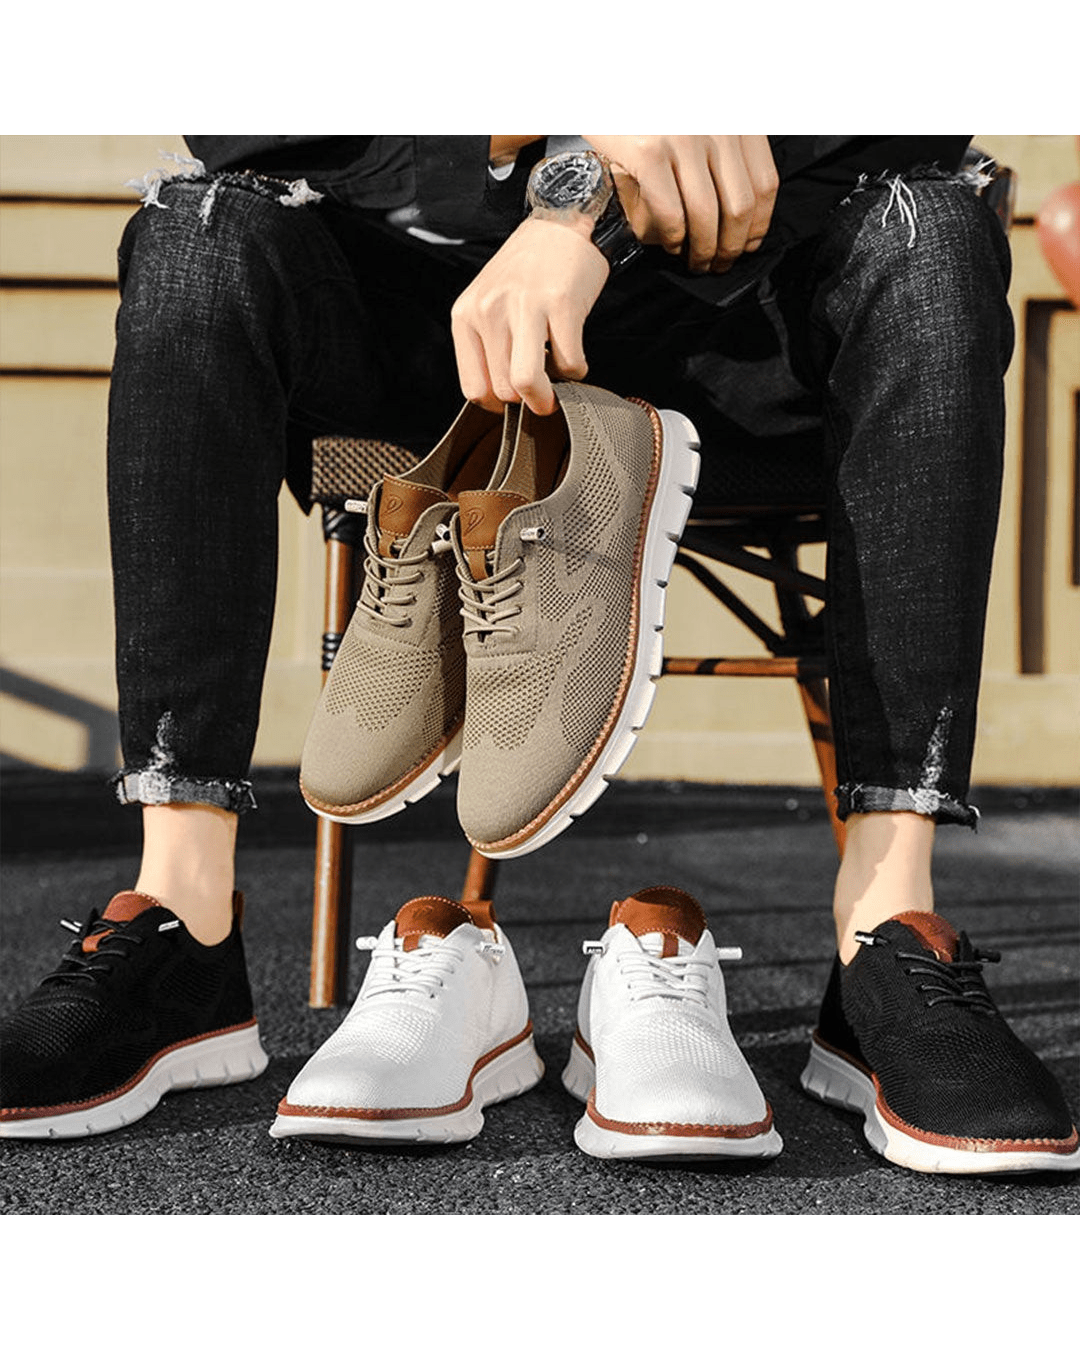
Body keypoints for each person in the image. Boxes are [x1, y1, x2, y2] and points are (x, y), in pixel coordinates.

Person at [1, 136, 1076, 1174]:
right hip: (437, 325)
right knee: (197, 227)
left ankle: (885, 926)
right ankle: (184, 917)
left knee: (933, 225)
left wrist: (631, 173)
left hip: (748, 315)